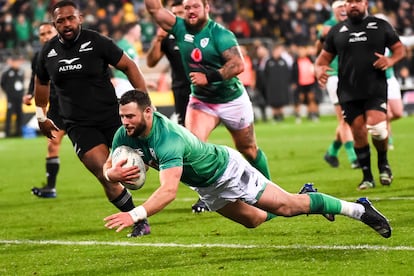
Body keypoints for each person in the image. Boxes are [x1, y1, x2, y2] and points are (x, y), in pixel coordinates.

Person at [103, 89, 392, 239]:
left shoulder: (167, 138)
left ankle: (358, 209)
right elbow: (107, 167)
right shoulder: (122, 134)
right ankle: (308, 195)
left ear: (148, 112)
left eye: (130, 116)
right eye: (122, 116)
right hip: (206, 187)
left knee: (287, 207)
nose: (125, 122)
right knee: (254, 220)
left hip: (227, 170)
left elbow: (168, 191)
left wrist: (135, 214)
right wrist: (111, 172)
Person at [33, 0, 151, 237]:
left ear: (80, 18)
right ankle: (138, 221)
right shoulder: (47, 52)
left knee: (155, 157)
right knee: (104, 174)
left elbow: (129, 66)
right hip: (78, 125)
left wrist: (145, 104)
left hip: (112, 117)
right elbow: (41, 83)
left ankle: (206, 189)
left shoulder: (97, 41)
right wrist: (40, 115)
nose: (66, 24)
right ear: (54, 24)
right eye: (60, 21)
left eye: (70, 18)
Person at [143, 0, 271, 182]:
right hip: (202, 101)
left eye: (196, 6)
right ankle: (212, 194)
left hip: (231, 99)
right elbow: (155, 9)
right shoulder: (179, 28)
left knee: (248, 149)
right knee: (195, 150)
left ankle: (270, 191)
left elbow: (237, 65)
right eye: (187, 8)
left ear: (207, 8)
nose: (191, 11)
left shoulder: (220, 34)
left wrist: (208, 77)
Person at [315, 0, 405, 190]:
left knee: (378, 128)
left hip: (375, 88)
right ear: (345, 6)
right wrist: (318, 69)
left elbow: (399, 48)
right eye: (349, 2)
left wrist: (390, 60)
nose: (353, 5)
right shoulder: (336, 31)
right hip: (348, 91)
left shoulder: (380, 25)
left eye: (357, 1)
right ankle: (367, 177)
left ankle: (383, 164)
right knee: (358, 133)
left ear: (365, 3)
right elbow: (322, 59)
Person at [22, 22, 64, 198]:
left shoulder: (69, 49)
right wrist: (30, 94)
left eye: (49, 32)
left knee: (95, 148)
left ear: (57, 32)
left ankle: (118, 178)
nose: (46, 36)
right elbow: (36, 78)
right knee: (52, 144)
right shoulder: (39, 56)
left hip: (77, 105)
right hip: (55, 106)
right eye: (42, 34)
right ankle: (51, 188)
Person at [317, 1, 359, 169]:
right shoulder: (328, 27)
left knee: (351, 118)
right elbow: (318, 50)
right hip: (334, 76)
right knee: (344, 118)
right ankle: (353, 157)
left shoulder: (354, 24)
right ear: (333, 10)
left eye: (345, 6)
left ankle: (332, 151)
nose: (343, 9)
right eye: (339, 7)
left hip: (352, 76)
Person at [146, 0, 190, 127]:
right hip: (180, 89)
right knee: (186, 128)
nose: (176, 17)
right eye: (174, 13)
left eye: (180, 13)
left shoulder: (198, 31)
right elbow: (151, 62)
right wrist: (158, 39)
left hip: (201, 87)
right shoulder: (167, 36)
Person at [112, 21, 143, 99]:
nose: (140, 34)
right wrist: (111, 77)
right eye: (139, 31)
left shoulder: (131, 46)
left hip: (130, 81)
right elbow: (110, 62)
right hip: (122, 81)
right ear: (132, 31)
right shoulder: (121, 45)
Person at [291, 44, 319, 123]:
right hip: (300, 83)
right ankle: (298, 115)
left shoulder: (311, 60)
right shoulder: (296, 62)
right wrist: (293, 83)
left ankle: (312, 114)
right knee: (299, 99)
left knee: (311, 98)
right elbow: (293, 73)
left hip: (310, 82)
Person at [263, 43, 291, 122]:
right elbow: (265, 74)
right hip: (271, 86)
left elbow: (287, 73)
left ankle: (281, 116)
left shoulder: (284, 61)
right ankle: (275, 116)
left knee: (281, 100)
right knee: (273, 101)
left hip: (281, 85)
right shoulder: (268, 62)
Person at [1, 54, 25, 138]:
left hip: (19, 97)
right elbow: (2, 84)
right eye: (15, 62)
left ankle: (19, 132)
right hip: (11, 98)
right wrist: (8, 92)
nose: (17, 64)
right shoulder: (7, 73)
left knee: (20, 115)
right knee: (9, 115)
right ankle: (8, 133)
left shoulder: (21, 72)